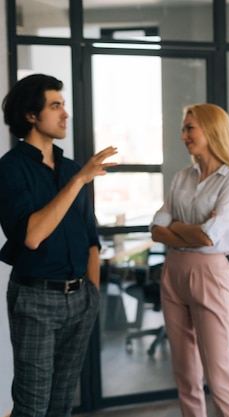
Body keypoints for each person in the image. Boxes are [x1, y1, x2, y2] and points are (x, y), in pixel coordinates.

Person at [0, 74, 118, 417]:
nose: (65, 113)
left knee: (61, 405)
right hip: (36, 300)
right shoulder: (10, 169)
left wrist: (92, 295)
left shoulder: (70, 168)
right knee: (32, 407)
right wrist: (81, 179)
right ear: (31, 115)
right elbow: (33, 235)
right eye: (55, 106)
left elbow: (90, 238)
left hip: (80, 299)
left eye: (63, 105)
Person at [151, 103, 229, 417]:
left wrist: (176, 228)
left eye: (189, 128)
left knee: (218, 375)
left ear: (211, 130)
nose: (184, 136)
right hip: (173, 273)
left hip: (209, 273)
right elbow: (156, 229)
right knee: (185, 375)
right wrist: (191, 230)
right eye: (184, 129)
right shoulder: (182, 177)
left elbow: (210, 237)